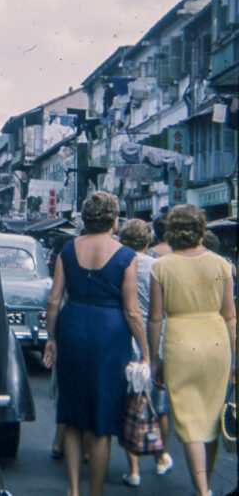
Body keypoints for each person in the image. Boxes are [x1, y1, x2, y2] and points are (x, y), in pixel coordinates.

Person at [43, 192, 149, 496]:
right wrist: (144, 351)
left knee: (73, 413)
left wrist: (51, 338)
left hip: (72, 325)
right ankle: (96, 492)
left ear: (85, 220)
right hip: (109, 334)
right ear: (115, 220)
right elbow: (131, 310)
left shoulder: (67, 249)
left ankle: (74, 489)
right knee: (101, 419)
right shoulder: (126, 255)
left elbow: (53, 299)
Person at [148, 204, 236, 496]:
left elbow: (156, 318)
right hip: (216, 341)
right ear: (202, 230)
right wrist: (236, 357)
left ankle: (202, 491)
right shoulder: (223, 264)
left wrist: (154, 358)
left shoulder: (161, 266)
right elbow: (230, 316)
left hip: (180, 342)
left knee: (188, 421)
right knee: (211, 416)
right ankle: (207, 484)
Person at [117, 218, 173, 486]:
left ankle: (134, 469)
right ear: (148, 241)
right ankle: (161, 457)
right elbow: (161, 312)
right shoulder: (158, 267)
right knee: (158, 406)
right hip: (155, 339)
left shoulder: (118, 265)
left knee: (131, 403)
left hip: (125, 339)